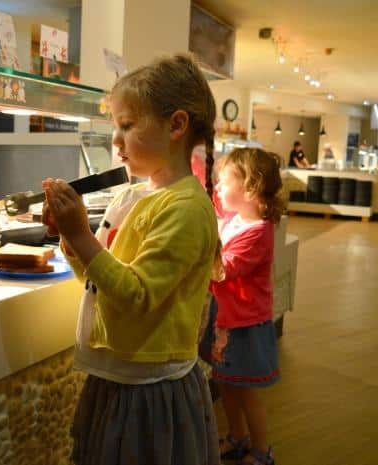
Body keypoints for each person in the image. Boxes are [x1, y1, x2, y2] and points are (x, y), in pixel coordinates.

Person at [42, 53, 221, 465]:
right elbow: (100, 278)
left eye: (127, 125)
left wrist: (80, 234)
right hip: (119, 374)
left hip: (153, 388)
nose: (116, 141)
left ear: (176, 125)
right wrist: (71, 241)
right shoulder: (132, 196)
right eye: (114, 127)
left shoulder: (187, 209)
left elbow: (136, 295)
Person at [199, 148, 284, 465]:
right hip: (225, 320)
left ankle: (262, 451)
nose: (217, 188)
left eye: (223, 182)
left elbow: (223, 269)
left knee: (247, 391)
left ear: (249, 187)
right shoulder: (234, 220)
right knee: (227, 383)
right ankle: (237, 437)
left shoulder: (259, 232)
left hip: (245, 325)